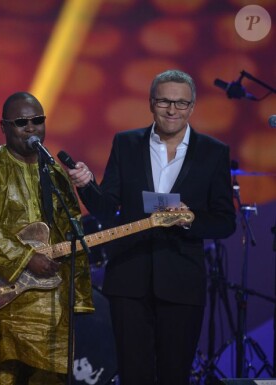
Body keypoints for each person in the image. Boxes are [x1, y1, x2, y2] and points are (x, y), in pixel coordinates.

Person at [66, 69, 236, 385]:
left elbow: (225, 221)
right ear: (151, 103)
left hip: (182, 281)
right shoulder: (126, 143)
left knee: (174, 374)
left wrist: (191, 219)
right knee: (134, 374)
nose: (172, 110)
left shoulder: (213, 152)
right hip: (130, 278)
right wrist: (87, 185)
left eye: (181, 103)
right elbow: (106, 207)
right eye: (164, 102)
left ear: (192, 106)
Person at [0, 92, 94, 385]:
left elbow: (73, 232)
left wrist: (79, 298)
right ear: (4, 126)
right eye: (21, 122)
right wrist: (25, 258)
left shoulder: (55, 171)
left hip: (51, 308)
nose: (31, 128)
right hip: (1, 300)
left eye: (37, 120)